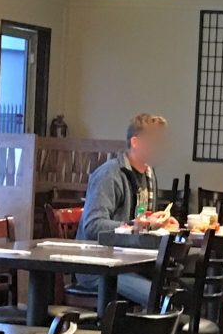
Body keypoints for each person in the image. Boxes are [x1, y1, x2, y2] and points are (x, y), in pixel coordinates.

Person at [73, 113, 176, 308]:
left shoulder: (148, 174)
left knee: (181, 295)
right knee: (162, 301)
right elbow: (93, 225)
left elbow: (142, 221)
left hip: (132, 263)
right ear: (135, 142)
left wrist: (157, 222)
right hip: (100, 267)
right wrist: (135, 225)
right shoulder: (109, 175)